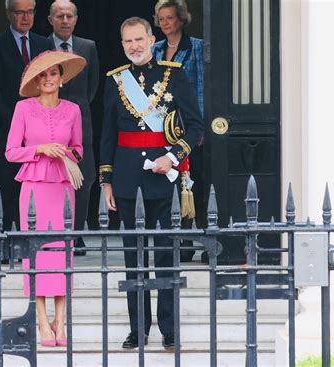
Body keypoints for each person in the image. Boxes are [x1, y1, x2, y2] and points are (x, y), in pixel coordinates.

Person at [99, 17, 204, 350]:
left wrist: (172, 158)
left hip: (163, 181)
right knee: (134, 261)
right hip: (128, 180)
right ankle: (138, 329)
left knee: (165, 258)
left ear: (151, 38)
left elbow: (196, 128)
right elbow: (107, 137)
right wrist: (107, 182)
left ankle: (169, 330)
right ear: (123, 44)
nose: (134, 46)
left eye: (139, 39)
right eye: (128, 41)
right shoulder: (115, 81)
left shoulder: (174, 74)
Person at [5, 51, 86, 347]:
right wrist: (40, 149)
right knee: (36, 252)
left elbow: (79, 149)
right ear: (36, 81)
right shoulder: (23, 109)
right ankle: (41, 319)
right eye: (43, 75)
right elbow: (11, 152)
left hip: (62, 185)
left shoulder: (74, 110)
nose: (48, 79)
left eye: (53, 74)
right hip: (34, 188)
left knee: (62, 251)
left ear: (62, 79)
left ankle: (60, 321)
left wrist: (64, 152)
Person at [0, 0, 53, 230]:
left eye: (30, 12)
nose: (25, 17)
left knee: (39, 188)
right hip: (8, 130)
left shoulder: (44, 44)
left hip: (41, 133)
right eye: (19, 12)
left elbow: (51, 85)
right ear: (9, 14)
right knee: (9, 188)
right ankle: (7, 241)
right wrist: (18, 125)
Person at [152, 0, 205, 262]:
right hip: (162, 126)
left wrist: (200, 126)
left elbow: (202, 86)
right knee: (169, 184)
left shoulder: (196, 47)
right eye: (161, 18)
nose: (164, 23)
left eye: (170, 18)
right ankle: (178, 242)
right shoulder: (155, 49)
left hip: (190, 126)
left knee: (195, 184)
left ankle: (203, 240)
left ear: (181, 19)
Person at [48, 0, 100, 256]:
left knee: (84, 179)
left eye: (69, 16)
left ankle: (76, 234)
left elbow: (92, 87)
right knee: (51, 178)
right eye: (60, 16)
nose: (65, 20)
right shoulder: (41, 45)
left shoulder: (87, 47)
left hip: (82, 125)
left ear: (76, 19)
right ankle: (55, 232)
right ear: (50, 20)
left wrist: (75, 110)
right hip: (48, 123)